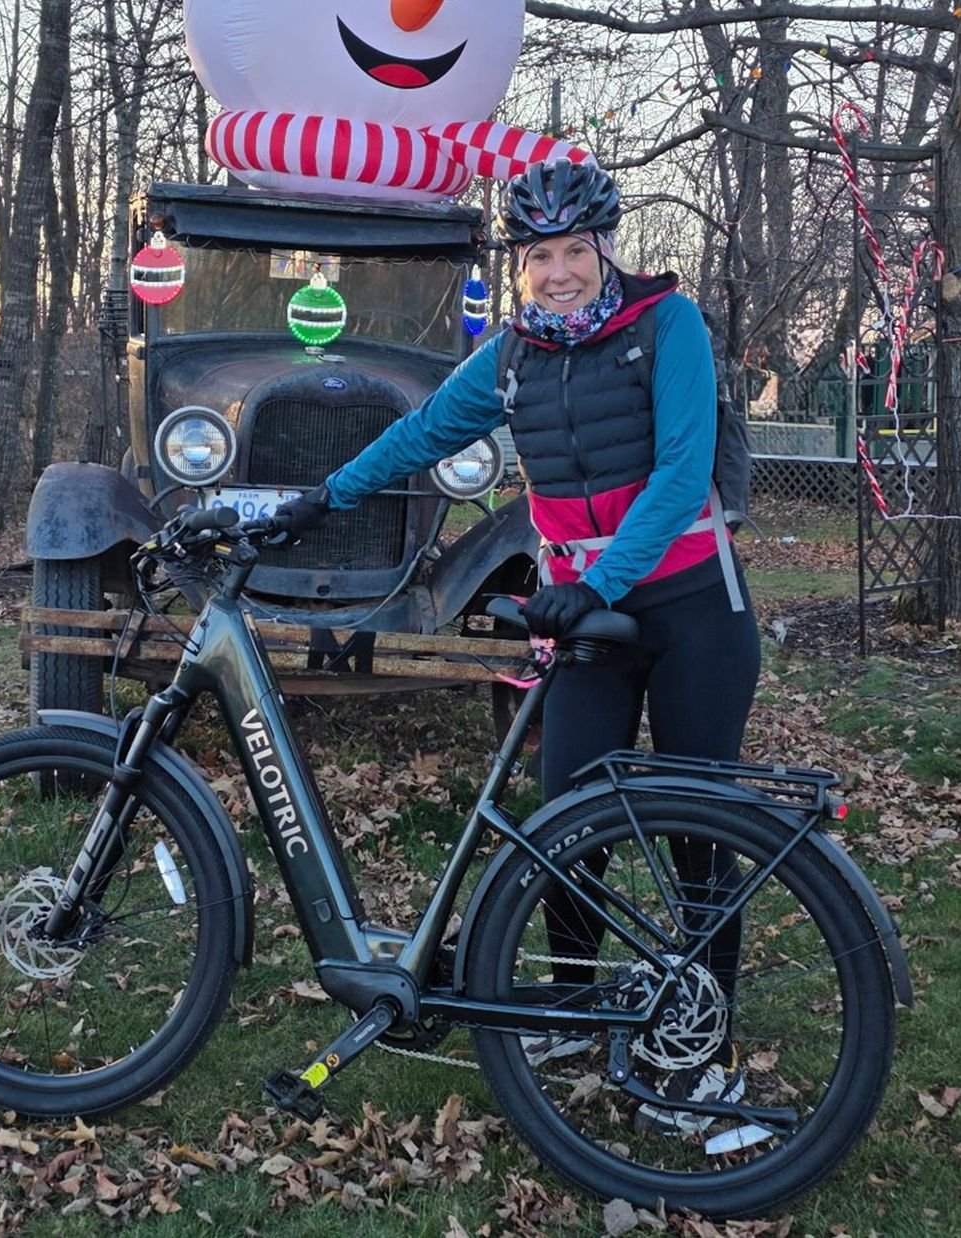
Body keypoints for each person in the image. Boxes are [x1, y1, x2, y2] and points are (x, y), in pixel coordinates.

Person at [274, 159, 762, 1136]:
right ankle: (570, 1009)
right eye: (540, 256)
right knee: (563, 816)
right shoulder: (511, 354)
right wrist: (324, 494)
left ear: (605, 249)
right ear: (521, 264)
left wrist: (593, 584)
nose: (559, 272)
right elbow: (420, 433)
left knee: (697, 829)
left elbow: (677, 474)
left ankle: (702, 1042)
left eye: (574, 251)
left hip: (692, 605)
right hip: (584, 613)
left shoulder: (668, 327)